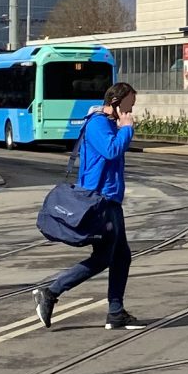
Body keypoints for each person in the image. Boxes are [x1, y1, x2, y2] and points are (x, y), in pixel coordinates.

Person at [33, 82, 141, 330]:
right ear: (115, 103)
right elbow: (111, 151)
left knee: (121, 256)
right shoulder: (98, 124)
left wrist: (121, 127)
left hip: (110, 199)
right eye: (128, 107)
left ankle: (116, 313)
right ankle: (50, 292)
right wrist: (126, 129)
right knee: (105, 257)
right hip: (100, 201)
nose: (130, 112)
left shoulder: (107, 123)